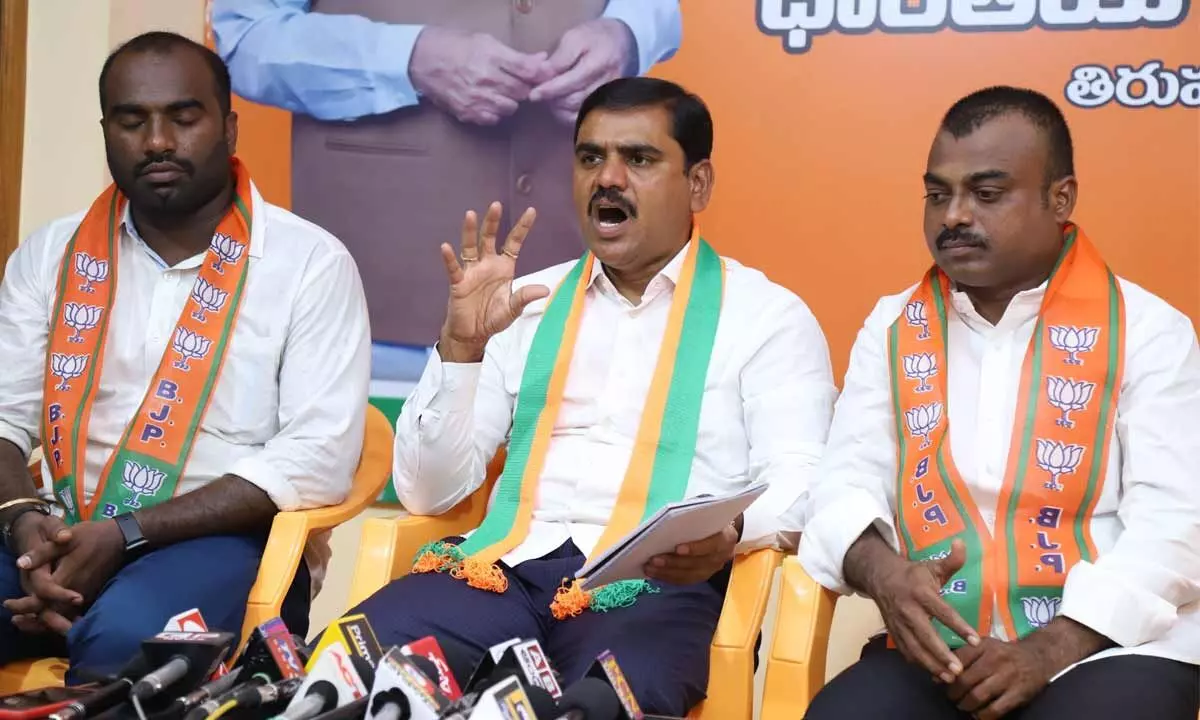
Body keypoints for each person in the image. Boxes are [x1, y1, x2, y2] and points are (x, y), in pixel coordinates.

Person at [340, 76, 838, 715]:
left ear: (698, 184)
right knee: (352, 665)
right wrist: (461, 349)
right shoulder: (521, 307)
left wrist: (734, 532)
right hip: (499, 572)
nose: (608, 178)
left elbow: (801, 483)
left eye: (639, 159)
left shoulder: (767, 317)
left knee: (601, 705)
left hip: (656, 588)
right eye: (590, 157)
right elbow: (426, 493)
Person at [799, 86, 1200, 720]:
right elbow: (844, 480)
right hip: (941, 647)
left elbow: (1177, 526)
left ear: (1060, 198)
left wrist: (1049, 649)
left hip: (1107, 649)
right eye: (937, 194)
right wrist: (882, 572)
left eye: (986, 194)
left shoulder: (1148, 331)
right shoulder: (892, 327)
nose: (953, 215)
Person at [0, 31, 371, 682]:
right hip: (56, 531)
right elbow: (4, 416)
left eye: (183, 116)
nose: (157, 142)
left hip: (219, 541)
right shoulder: (50, 254)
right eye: (131, 119)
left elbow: (315, 458)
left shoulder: (309, 264)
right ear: (106, 129)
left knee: (127, 644)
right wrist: (22, 522)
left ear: (229, 129)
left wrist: (126, 535)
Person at [211, 0, 683, 350]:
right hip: (386, 297)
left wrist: (626, 33)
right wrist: (409, 59)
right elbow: (246, 34)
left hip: (585, 288)